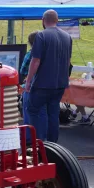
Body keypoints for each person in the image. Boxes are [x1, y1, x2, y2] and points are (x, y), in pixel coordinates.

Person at [25, 10, 72, 143]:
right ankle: (53, 145)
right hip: (60, 84)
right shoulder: (67, 37)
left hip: (42, 83)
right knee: (53, 113)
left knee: (33, 110)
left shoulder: (41, 36)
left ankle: (38, 143)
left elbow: (36, 61)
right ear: (57, 20)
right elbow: (68, 61)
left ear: (43, 20)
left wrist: (28, 81)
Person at [20, 32, 47, 142]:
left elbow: (23, 70)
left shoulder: (30, 54)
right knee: (42, 113)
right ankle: (42, 139)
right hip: (44, 85)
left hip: (31, 86)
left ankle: (29, 139)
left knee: (28, 113)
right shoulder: (46, 53)